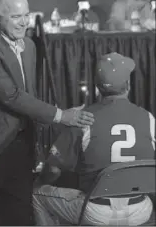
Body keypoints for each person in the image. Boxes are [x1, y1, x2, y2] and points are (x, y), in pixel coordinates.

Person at [0, 0, 94, 226]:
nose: (23, 23)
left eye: (26, 15)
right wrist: (62, 116)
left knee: (19, 214)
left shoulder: (29, 46)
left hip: (20, 145)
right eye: (15, 17)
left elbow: (28, 95)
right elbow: (12, 97)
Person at [33, 52, 155, 226]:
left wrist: (40, 182)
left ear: (97, 87)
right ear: (128, 85)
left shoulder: (82, 119)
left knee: (37, 194)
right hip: (140, 209)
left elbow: (52, 171)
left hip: (97, 212)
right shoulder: (148, 118)